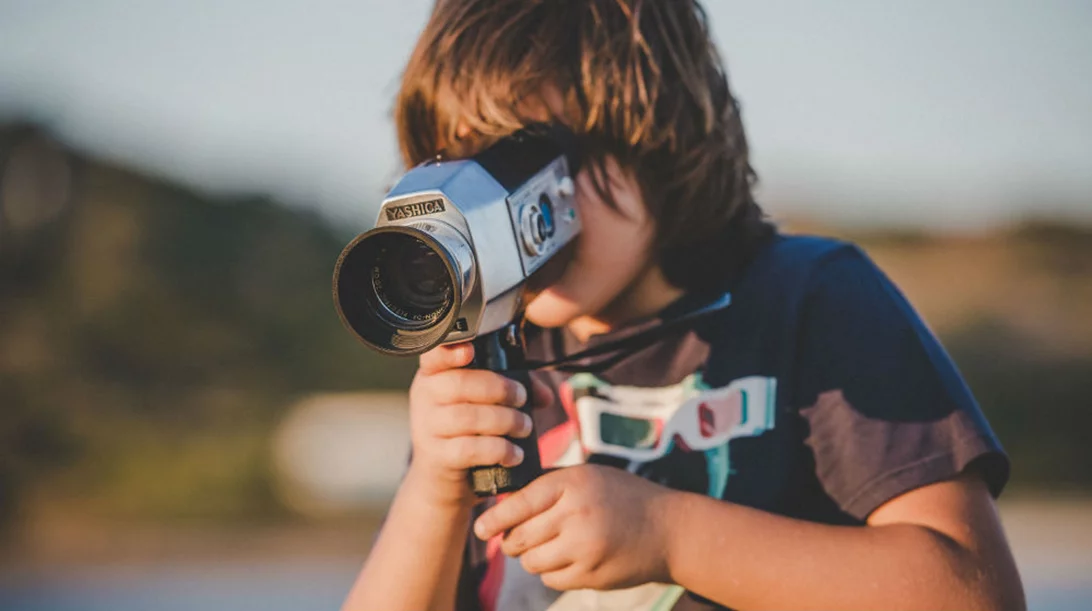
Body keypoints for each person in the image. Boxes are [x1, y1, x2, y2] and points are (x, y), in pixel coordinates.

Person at [342, 1, 1025, 609]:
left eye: (532, 162)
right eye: (469, 169)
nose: (502, 205)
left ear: (659, 140)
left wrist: (670, 535)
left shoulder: (811, 298)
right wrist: (435, 488)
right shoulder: (493, 351)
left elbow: (973, 594)